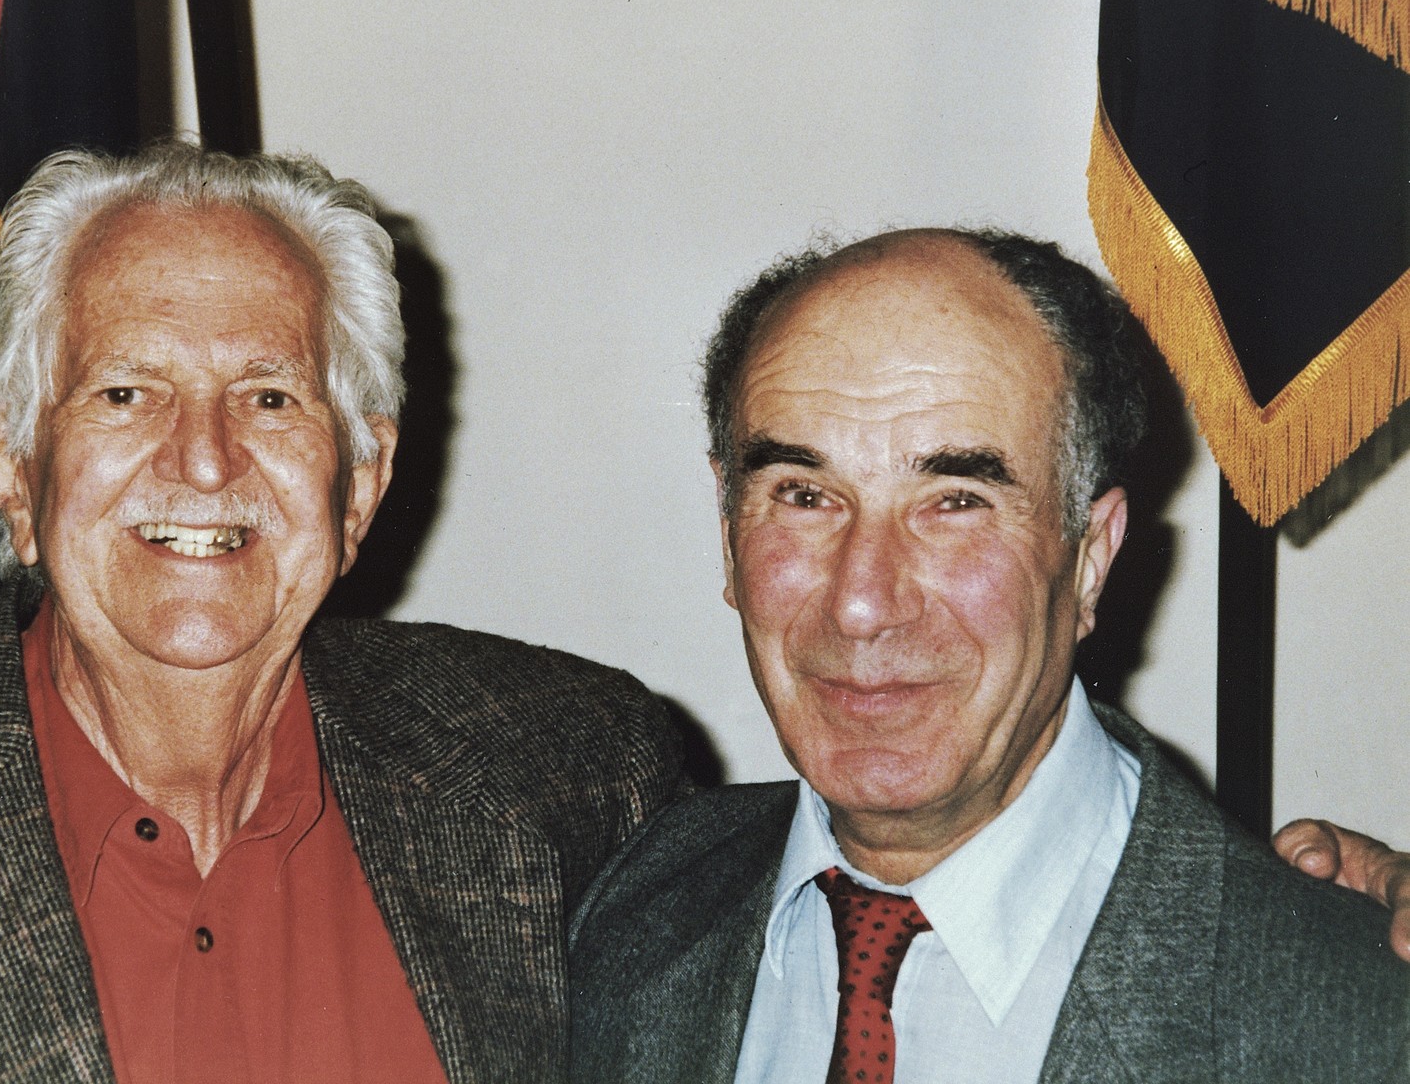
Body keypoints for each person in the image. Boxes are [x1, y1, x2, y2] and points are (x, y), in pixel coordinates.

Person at [0, 142, 682, 1083]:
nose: (205, 458)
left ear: (359, 482)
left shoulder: (580, 777)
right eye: (126, 392)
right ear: (8, 461)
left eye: (270, 396)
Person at [568, 229, 1410, 1082]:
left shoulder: (1359, 1026)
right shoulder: (622, 912)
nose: (861, 603)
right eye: (804, 495)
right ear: (727, 539)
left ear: (1091, 557)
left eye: (955, 501)